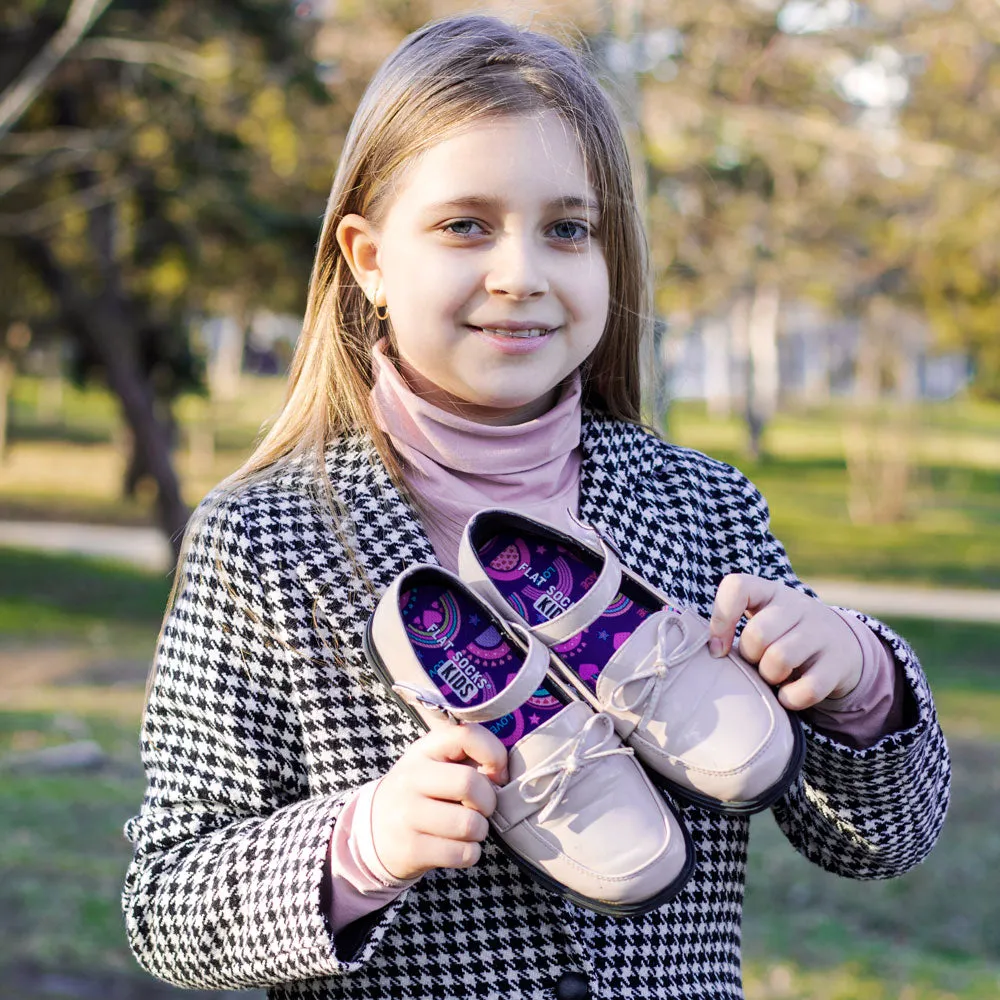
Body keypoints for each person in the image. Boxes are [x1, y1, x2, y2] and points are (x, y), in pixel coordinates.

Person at [122, 14, 950, 1000]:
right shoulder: (265, 541)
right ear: (370, 258)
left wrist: (862, 684)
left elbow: (880, 840)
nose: (520, 273)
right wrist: (363, 841)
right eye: (465, 223)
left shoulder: (701, 508)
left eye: (566, 227)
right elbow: (167, 899)